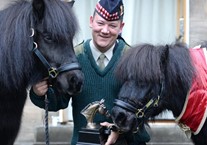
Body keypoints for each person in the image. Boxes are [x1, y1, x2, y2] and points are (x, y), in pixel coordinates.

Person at [30, 0, 150, 145]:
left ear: (121, 28)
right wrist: (39, 93)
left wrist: (120, 129)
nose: (105, 30)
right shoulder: (74, 58)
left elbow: (143, 113)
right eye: (100, 23)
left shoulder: (135, 61)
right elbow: (58, 101)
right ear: (91, 21)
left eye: (112, 25)